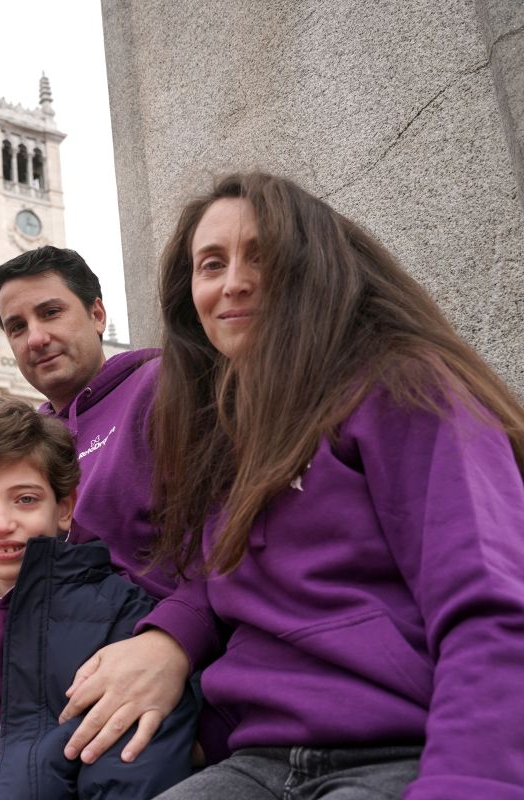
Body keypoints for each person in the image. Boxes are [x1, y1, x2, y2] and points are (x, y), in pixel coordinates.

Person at [134, 171, 524, 797]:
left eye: (261, 257)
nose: (233, 282)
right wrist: (170, 638)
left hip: (403, 749)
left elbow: (491, 606)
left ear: (311, 267)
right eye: (211, 264)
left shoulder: (405, 388)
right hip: (254, 764)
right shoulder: (223, 436)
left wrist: (469, 780)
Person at [0, 396, 197, 799]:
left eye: (25, 499)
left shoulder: (122, 619)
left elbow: (133, 773)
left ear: (64, 507)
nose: (2, 524)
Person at [0, 247, 204, 765]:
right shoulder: (21, 441)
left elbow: (232, 537)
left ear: (98, 314)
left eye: (51, 312)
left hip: (156, 686)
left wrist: (175, 641)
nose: (35, 337)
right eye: (16, 327)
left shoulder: (163, 387)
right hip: (37, 691)